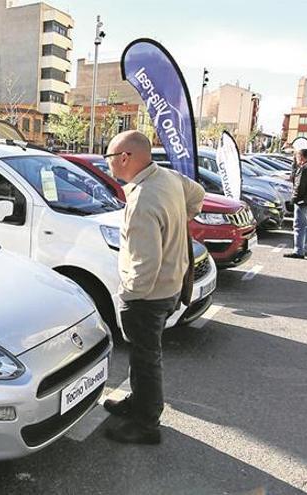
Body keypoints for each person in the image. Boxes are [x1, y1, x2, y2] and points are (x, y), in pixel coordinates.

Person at [102, 130, 205, 445]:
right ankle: (138, 403)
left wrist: (128, 296)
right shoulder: (168, 178)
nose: (107, 164)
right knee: (143, 355)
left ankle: (147, 425)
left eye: (109, 157)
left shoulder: (144, 199)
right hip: (171, 285)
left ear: (125, 158)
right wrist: (181, 217)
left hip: (149, 296)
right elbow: (197, 194)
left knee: (147, 358)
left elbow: (145, 265)